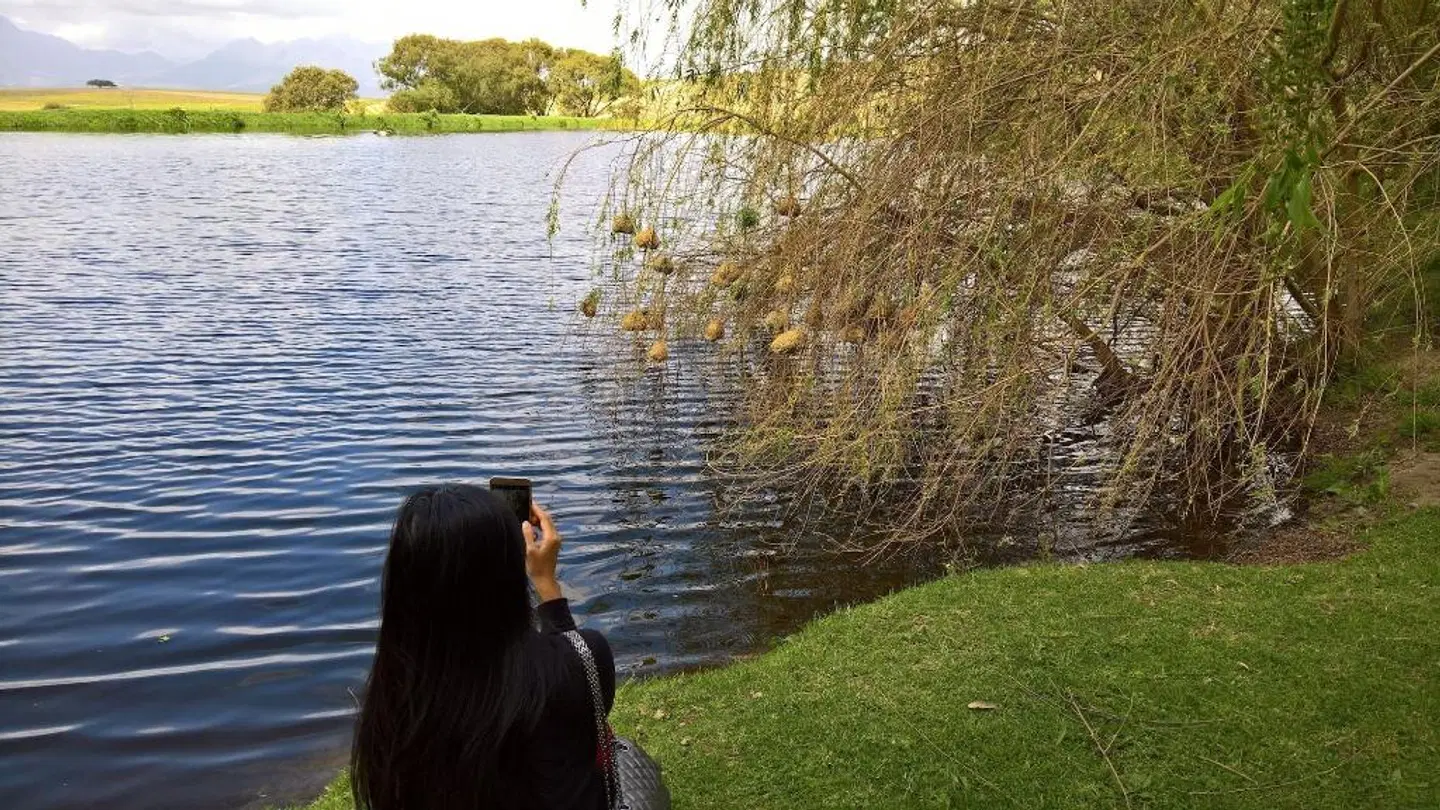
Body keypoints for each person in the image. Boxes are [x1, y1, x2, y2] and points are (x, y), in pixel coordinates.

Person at [351, 483, 615, 810]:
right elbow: (581, 691)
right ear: (506, 573)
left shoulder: (398, 699)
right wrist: (548, 586)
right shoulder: (580, 662)